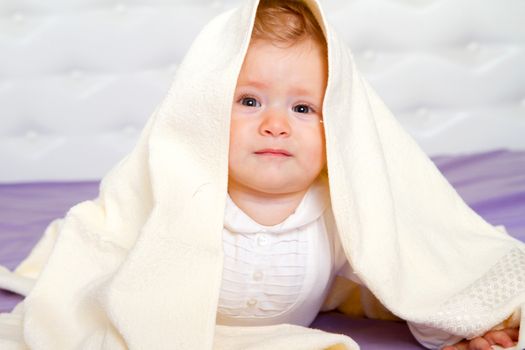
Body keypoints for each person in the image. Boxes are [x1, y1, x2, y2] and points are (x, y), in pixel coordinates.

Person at [0, 0, 522, 349]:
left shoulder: (342, 215)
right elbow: (107, 246)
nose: (275, 125)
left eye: (302, 108)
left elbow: (399, 271)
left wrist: (457, 325)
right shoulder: (182, 195)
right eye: (249, 101)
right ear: (204, 110)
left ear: (337, 125)